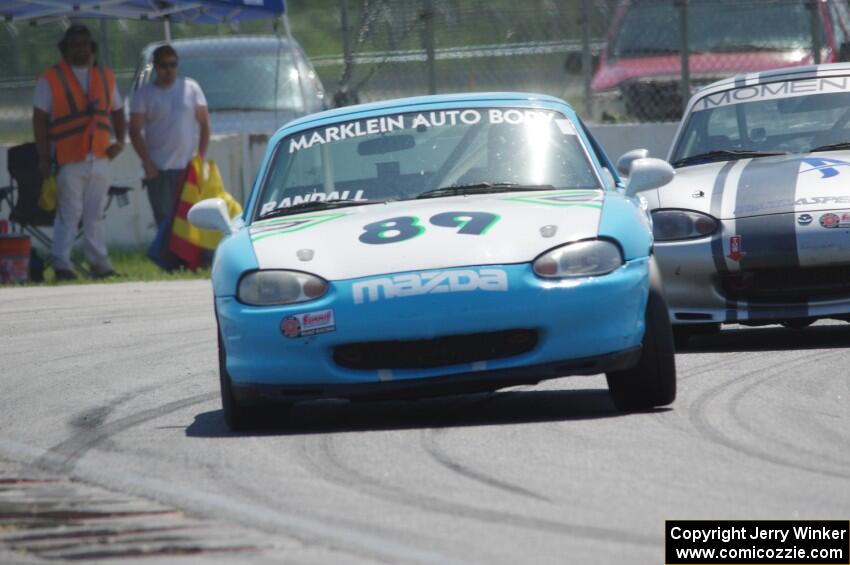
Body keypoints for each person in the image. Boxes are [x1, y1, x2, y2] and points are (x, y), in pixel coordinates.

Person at [32, 24, 126, 280]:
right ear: (66, 48)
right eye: (75, 44)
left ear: (91, 47)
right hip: (69, 158)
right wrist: (43, 156)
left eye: (85, 43)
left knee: (95, 213)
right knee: (69, 213)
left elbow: (117, 110)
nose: (81, 48)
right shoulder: (50, 78)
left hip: (101, 155)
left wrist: (121, 140)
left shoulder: (105, 76)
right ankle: (62, 264)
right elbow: (39, 119)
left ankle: (100, 264)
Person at [129, 44, 210, 230]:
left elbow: (204, 124)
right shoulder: (144, 95)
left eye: (173, 65)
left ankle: (191, 258)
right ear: (155, 67)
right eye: (164, 65)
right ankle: (169, 259)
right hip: (158, 168)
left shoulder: (191, 87)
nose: (169, 70)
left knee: (190, 219)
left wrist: (200, 158)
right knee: (165, 221)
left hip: (187, 166)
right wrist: (147, 163)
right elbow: (134, 131)